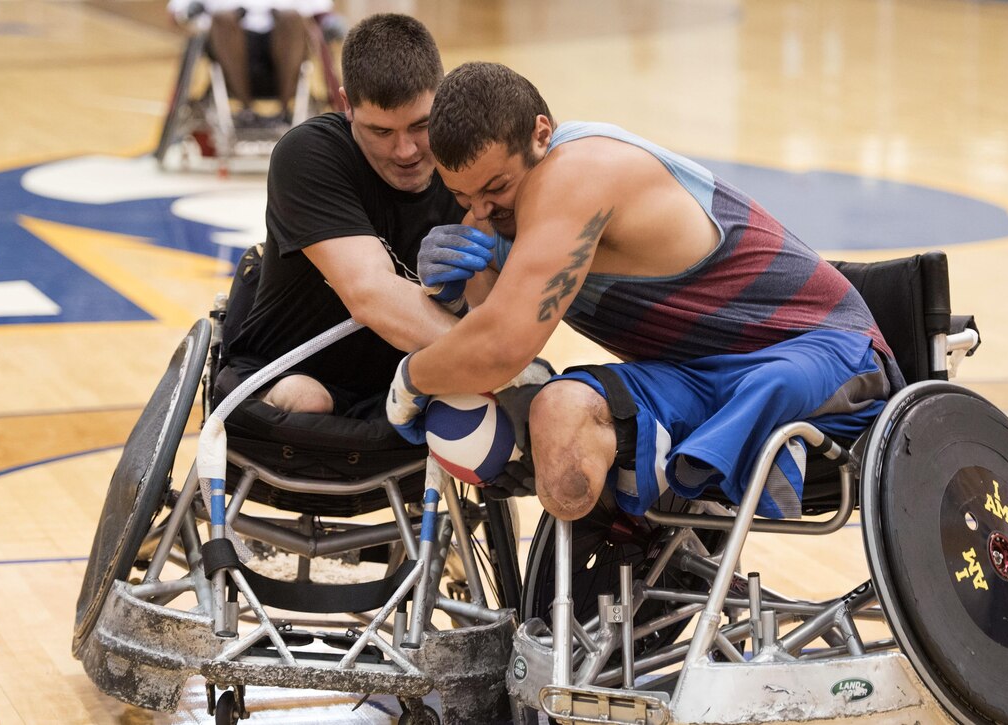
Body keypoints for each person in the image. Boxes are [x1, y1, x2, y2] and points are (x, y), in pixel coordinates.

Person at [387, 61, 905, 522]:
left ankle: (675, 507)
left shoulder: (576, 171)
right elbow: (485, 333)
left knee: (768, 388)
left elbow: (500, 348)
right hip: (695, 374)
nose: (479, 211)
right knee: (560, 414)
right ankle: (599, 603)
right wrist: (452, 295)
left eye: (496, 188)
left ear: (541, 135)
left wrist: (412, 380)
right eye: (460, 194)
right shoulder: (496, 213)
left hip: (821, 352)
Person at [215, 13, 468, 419]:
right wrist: (496, 362)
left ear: (442, 97)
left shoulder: (469, 162)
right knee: (306, 398)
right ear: (347, 104)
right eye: (381, 132)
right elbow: (371, 295)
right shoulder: (308, 154)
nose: (405, 151)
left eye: (421, 125)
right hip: (286, 372)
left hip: (410, 384)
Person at [168, 0, 343, 125]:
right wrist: (187, 11)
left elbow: (321, 12)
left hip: (285, 48)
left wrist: (331, 22)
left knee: (291, 17)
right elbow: (177, 13)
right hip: (230, 48)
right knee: (223, 18)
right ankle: (246, 108)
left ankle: (284, 110)